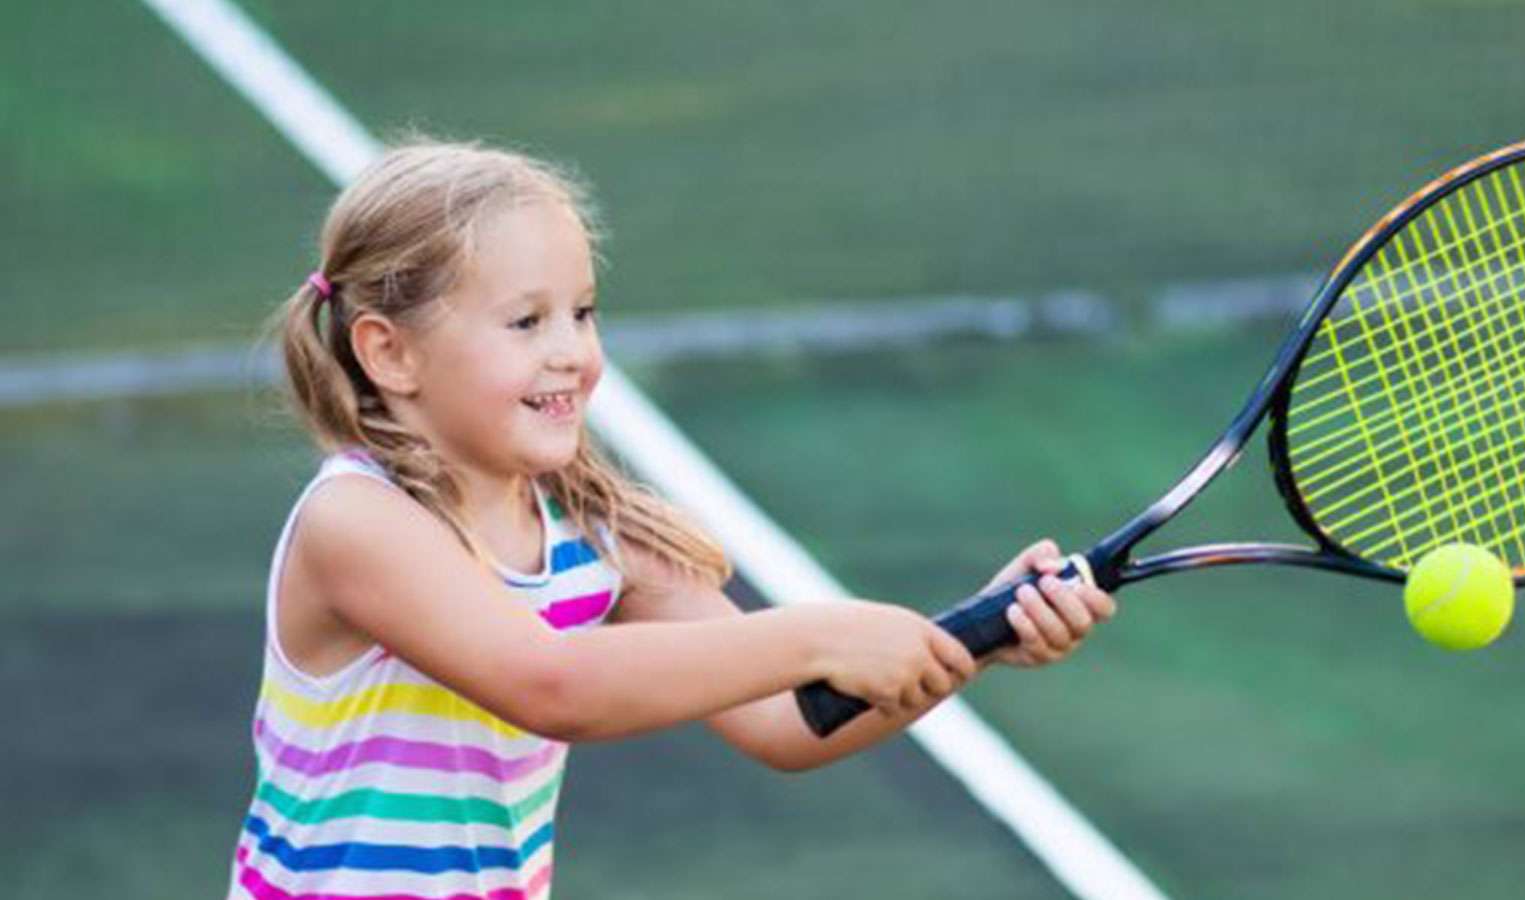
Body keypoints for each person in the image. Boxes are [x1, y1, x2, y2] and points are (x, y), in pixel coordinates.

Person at [226, 138, 1117, 899]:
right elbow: (555, 688)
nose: (571, 352)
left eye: (581, 313)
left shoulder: (591, 523)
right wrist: (815, 634)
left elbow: (786, 724)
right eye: (526, 322)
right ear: (390, 351)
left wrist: (979, 635)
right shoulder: (359, 522)